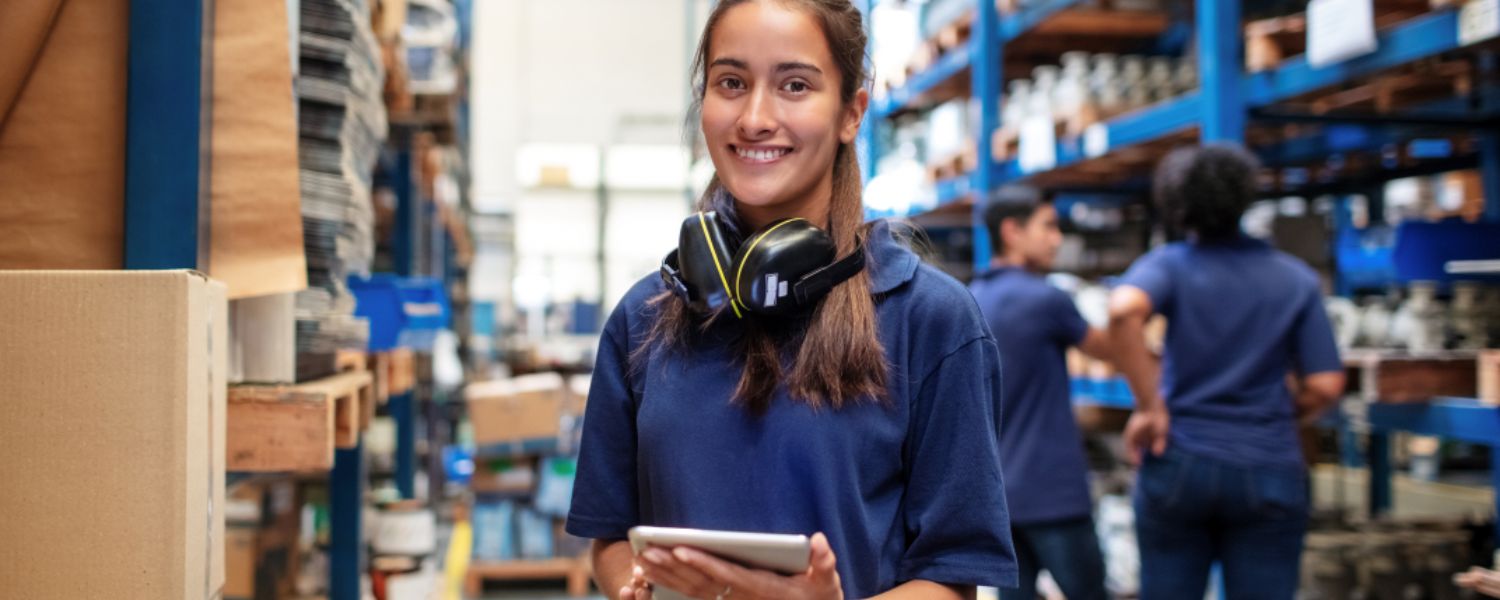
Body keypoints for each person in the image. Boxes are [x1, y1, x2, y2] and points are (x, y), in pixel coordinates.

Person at [565, 1, 1018, 599]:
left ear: (852, 112)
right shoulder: (643, 318)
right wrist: (635, 589)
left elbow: (951, 577)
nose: (754, 117)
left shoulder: (931, 320)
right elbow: (611, 534)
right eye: (731, 82)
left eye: (795, 85)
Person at [1109, 143, 1346, 598]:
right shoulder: (1293, 277)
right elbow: (1326, 384)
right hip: (1267, 463)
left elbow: (1122, 312)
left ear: (1179, 203)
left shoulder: (1171, 265)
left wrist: (1150, 407)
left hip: (1180, 458)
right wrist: (1282, 415)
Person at [969, 185, 1112, 600]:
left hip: (998, 499)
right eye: (1048, 226)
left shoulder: (970, 301)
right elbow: (1104, 349)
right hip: (1054, 495)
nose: (1057, 239)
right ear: (1012, 231)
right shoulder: (1047, 299)